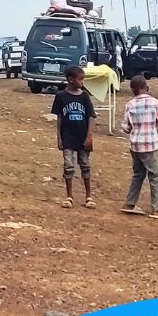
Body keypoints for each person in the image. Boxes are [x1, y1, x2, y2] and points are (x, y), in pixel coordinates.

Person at [120, 76, 158, 219]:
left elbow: (127, 127)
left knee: (138, 175)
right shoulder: (154, 103)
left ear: (133, 90)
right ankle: (156, 209)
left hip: (135, 145)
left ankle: (130, 203)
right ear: (147, 88)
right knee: (154, 176)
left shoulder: (130, 105)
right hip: (150, 145)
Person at [52, 65, 96, 209]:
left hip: (83, 137)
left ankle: (89, 196)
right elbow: (59, 118)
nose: (82, 82)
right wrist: (59, 137)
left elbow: (90, 117)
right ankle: (69, 196)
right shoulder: (61, 97)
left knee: (85, 165)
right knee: (68, 166)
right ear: (71, 80)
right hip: (68, 137)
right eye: (80, 79)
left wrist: (89, 136)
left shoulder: (84, 96)